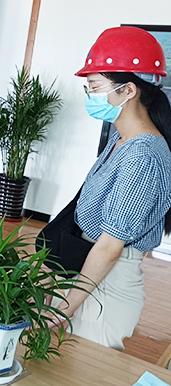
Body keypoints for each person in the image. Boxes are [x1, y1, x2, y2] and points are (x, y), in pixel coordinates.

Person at [54, 26, 171, 351]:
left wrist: (66, 307)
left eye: (95, 87)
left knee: (84, 368)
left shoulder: (143, 154)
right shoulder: (121, 139)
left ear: (128, 90)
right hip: (88, 270)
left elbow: (110, 247)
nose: (89, 95)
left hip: (106, 284)